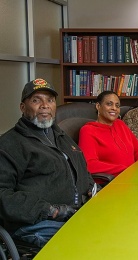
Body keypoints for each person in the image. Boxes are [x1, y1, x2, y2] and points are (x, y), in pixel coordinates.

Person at [0, 78, 96, 248]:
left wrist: (91, 188)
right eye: (36, 100)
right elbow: (2, 195)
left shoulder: (60, 135)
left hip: (75, 214)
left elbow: (82, 168)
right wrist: (51, 210)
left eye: (50, 100)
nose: (45, 105)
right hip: (34, 222)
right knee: (91, 244)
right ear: (23, 107)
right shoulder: (9, 144)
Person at [79, 91, 138, 177]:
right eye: (109, 104)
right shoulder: (88, 130)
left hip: (133, 176)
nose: (114, 108)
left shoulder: (120, 124)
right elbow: (90, 165)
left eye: (117, 105)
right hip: (111, 182)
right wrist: (126, 170)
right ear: (98, 106)